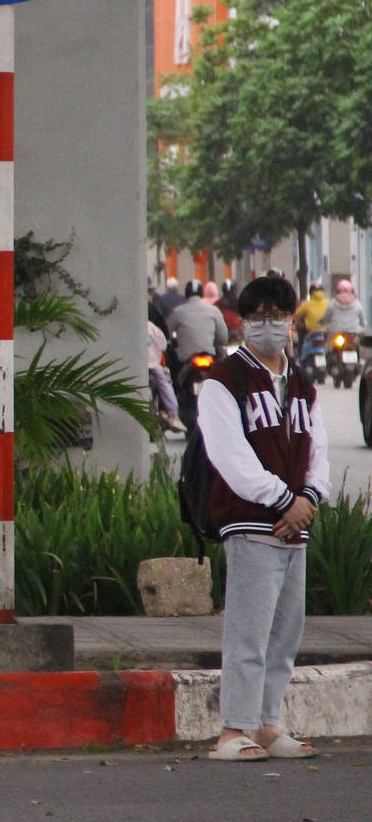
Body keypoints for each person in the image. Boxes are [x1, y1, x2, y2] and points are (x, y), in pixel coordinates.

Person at [195, 275, 330, 761]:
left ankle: (269, 724)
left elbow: (318, 451)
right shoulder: (224, 381)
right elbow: (230, 457)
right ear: (242, 322)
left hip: (295, 529)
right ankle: (233, 730)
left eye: (277, 316)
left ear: (292, 322)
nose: (268, 325)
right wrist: (283, 501)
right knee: (248, 633)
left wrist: (308, 499)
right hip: (252, 523)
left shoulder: (300, 383)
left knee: (283, 636)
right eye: (257, 317)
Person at [167, 279, 229, 433]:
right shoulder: (213, 311)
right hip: (210, 357)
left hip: (186, 360)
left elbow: (166, 332)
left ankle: (171, 404)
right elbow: (223, 338)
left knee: (175, 382)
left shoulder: (178, 312)